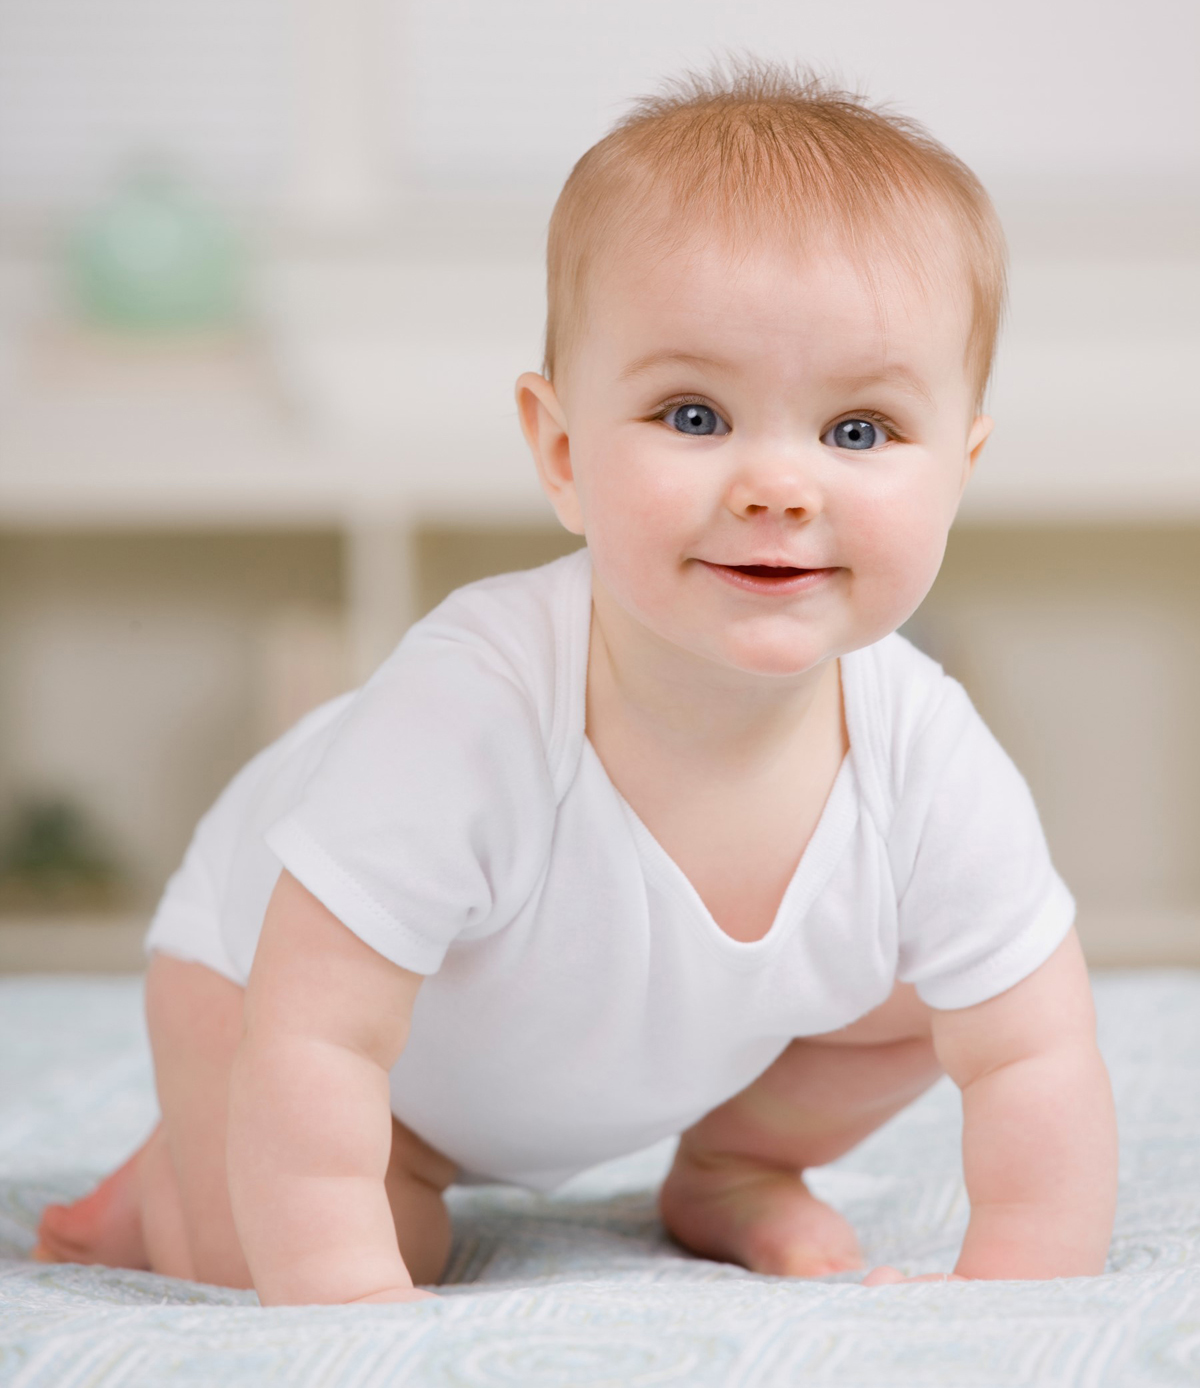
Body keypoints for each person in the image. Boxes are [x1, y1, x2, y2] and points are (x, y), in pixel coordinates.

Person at [33, 56, 1118, 1305]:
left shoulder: (924, 749)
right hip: (270, 982)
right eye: (695, 415)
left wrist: (1016, 1294)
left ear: (959, 470)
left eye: (858, 431)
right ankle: (161, 1189)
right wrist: (350, 1303)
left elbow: (1035, 1048)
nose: (780, 484)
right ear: (559, 448)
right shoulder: (477, 705)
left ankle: (733, 1166)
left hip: (585, 1043)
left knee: (948, 989)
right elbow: (315, 1025)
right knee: (354, 1238)